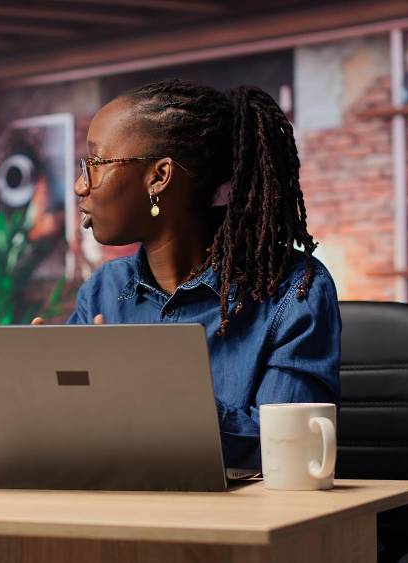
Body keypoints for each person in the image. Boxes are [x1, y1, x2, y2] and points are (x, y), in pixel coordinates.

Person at [36, 79, 340, 471]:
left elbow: (289, 452)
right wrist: (41, 393)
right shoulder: (104, 291)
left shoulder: (293, 291)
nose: (81, 185)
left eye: (95, 163)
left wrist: (158, 394)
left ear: (159, 177)